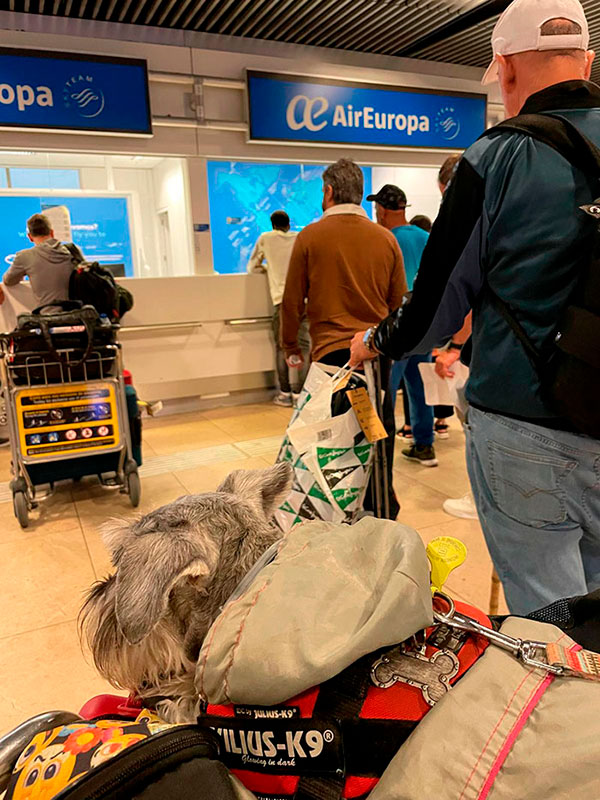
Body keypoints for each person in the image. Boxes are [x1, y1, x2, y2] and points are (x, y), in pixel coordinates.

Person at [350, 0, 600, 615]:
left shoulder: (497, 157)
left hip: (529, 421)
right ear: (588, 60)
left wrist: (377, 341)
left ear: (506, 70)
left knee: (551, 622)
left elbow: (436, 303)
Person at [281, 158, 407, 519]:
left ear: (329, 192)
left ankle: (333, 513)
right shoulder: (385, 239)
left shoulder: (310, 237)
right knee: (377, 433)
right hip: (375, 358)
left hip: (330, 359)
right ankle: (381, 509)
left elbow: (292, 302)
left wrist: (291, 346)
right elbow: (398, 304)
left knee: (328, 441)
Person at [368, 184, 437, 467]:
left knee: (386, 391)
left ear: (382, 210)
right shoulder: (426, 237)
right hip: (424, 326)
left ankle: (379, 453)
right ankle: (424, 446)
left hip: (394, 327)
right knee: (420, 388)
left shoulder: (381, 239)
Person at [247, 210, 309, 407]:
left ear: (272, 224)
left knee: (282, 346)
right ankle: (301, 393)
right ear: (288, 224)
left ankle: (285, 393)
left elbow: (252, 266)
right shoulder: (300, 237)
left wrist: (266, 269)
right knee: (304, 347)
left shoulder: (266, 238)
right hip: (304, 300)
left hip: (281, 301)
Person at [2, 213, 80, 310]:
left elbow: (8, 280)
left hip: (49, 319)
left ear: (30, 237)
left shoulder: (25, 257)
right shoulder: (73, 251)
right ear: (52, 233)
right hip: (80, 317)